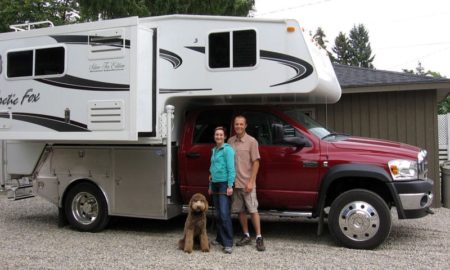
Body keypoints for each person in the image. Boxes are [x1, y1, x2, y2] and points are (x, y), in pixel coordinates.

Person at [228, 115, 265, 252]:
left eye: (241, 124)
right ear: (234, 125)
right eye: (236, 124)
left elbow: (256, 162)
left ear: (246, 125)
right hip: (235, 183)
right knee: (240, 211)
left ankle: (259, 237)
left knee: (253, 210)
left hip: (247, 183)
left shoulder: (252, 142)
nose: (238, 126)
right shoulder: (230, 141)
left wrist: (251, 181)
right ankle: (246, 235)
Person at [208, 126, 235, 254]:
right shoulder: (214, 150)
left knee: (224, 214)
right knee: (218, 214)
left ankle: (228, 243)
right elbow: (211, 169)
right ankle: (219, 238)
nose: (218, 136)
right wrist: (210, 186)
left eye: (221, 135)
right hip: (215, 184)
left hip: (224, 184)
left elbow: (231, 169)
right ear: (214, 136)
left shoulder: (227, 150)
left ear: (224, 137)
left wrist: (230, 185)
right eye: (216, 134)